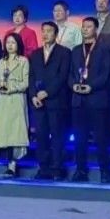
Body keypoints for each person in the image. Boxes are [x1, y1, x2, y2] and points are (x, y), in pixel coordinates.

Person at [70, 16, 110, 183]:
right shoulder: (76, 50)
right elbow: (70, 73)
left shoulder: (104, 49)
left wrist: (91, 86)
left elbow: (106, 74)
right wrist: (74, 85)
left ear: (96, 30)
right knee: (79, 138)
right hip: (78, 100)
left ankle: (105, 171)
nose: (85, 29)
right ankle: (80, 170)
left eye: (89, 27)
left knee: (100, 138)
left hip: (97, 99)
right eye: (83, 27)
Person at [28, 20, 72, 180]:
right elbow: (31, 76)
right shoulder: (35, 54)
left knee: (57, 135)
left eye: (49, 31)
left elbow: (62, 76)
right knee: (41, 136)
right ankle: (43, 168)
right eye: (43, 31)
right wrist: (33, 95)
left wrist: (47, 92)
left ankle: (57, 168)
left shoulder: (64, 52)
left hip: (56, 101)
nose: (45, 34)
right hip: (38, 103)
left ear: (56, 34)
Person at [0, 33, 30, 178]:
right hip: (2, 100)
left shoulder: (23, 61)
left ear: (18, 44)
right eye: (8, 42)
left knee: (16, 132)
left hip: (16, 98)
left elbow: (25, 83)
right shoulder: (0, 62)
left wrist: (12, 88)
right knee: (4, 131)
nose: (10, 45)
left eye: (13, 42)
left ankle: (13, 165)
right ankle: (8, 164)